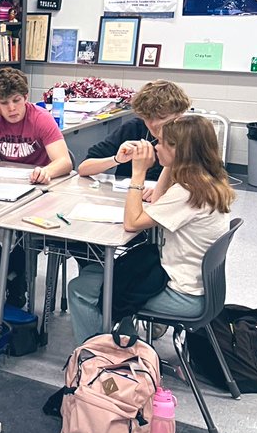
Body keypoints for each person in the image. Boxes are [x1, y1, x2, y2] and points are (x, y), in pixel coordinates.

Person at [68, 116, 235, 343]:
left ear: (180, 150)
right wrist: (169, 164)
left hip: (183, 296)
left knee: (79, 288)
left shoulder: (188, 193)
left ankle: (95, 357)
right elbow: (156, 203)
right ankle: (122, 337)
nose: (156, 146)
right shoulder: (205, 181)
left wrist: (138, 173)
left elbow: (132, 222)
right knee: (94, 274)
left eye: (163, 143)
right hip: (192, 283)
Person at [0, 67, 73, 306]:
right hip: (3, 189)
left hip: (39, 191)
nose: (12, 109)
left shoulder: (40, 118)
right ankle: (10, 277)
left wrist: (46, 171)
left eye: (17, 101)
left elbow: (65, 161)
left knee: (25, 229)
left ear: (25, 98)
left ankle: (8, 278)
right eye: (4, 103)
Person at [77, 80, 191, 198]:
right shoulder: (134, 127)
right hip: (128, 197)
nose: (153, 124)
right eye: (147, 117)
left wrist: (162, 191)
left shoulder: (190, 134)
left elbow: (199, 184)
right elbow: (83, 169)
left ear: (179, 114)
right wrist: (116, 159)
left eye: (161, 117)